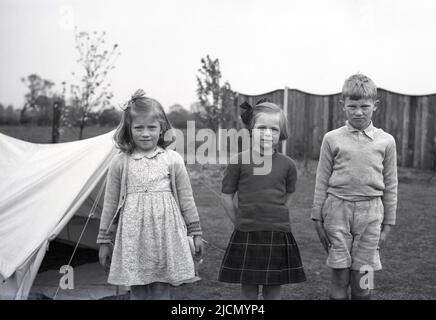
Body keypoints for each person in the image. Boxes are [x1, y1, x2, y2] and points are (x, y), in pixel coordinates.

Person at [97, 89, 204, 300]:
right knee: (137, 288)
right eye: (138, 127)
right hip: (133, 237)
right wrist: (103, 240)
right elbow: (110, 204)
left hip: (166, 235)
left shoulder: (172, 159)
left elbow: (186, 198)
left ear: (162, 128)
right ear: (129, 128)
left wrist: (196, 232)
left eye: (151, 127)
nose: (145, 133)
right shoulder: (120, 162)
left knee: (161, 288)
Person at [311, 74, 398, 300]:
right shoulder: (331, 139)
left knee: (364, 282)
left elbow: (391, 184)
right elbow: (321, 180)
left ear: (375, 106)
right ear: (343, 106)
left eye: (364, 106)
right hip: (336, 212)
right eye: (352, 106)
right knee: (339, 278)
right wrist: (317, 218)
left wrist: (388, 224)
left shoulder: (386, 141)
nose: (358, 112)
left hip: (371, 215)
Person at [218, 101, 306, 300]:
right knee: (248, 289)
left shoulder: (288, 165)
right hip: (247, 232)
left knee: (273, 289)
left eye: (274, 129)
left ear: (281, 133)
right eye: (262, 128)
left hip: (277, 232)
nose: (267, 133)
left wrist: (277, 213)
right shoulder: (238, 161)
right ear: (251, 130)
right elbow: (226, 196)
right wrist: (238, 221)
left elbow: (289, 194)